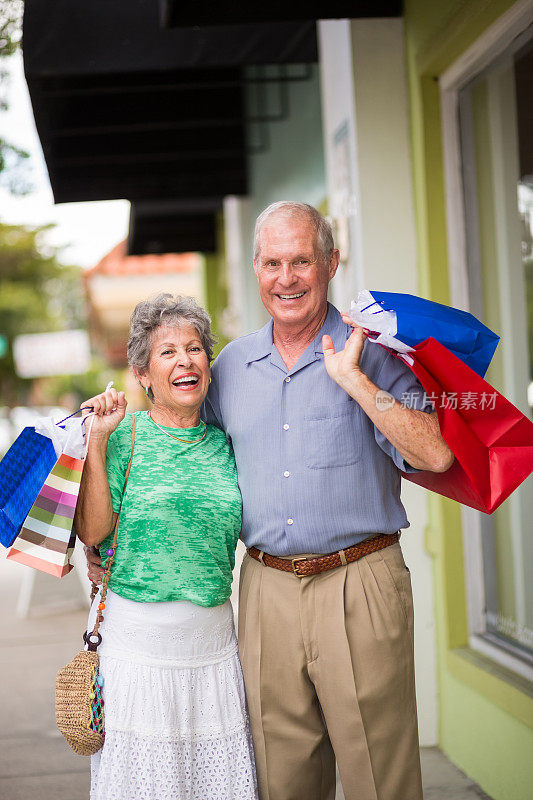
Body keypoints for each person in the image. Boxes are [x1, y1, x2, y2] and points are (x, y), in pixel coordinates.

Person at [87, 202, 453, 800]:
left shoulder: (375, 351)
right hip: (265, 589)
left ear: (331, 263)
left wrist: (355, 382)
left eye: (302, 261)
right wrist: (109, 535)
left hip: (359, 580)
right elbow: (180, 456)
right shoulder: (227, 367)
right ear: (256, 269)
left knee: (379, 777)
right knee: (280, 779)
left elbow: (434, 455)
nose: (287, 278)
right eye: (273, 262)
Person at [75, 295, 257, 800]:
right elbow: (93, 534)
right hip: (137, 652)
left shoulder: (226, 445)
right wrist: (96, 442)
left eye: (195, 349)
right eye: (169, 352)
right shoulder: (123, 437)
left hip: (214, 649)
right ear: (143, 373)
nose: (186, 361)